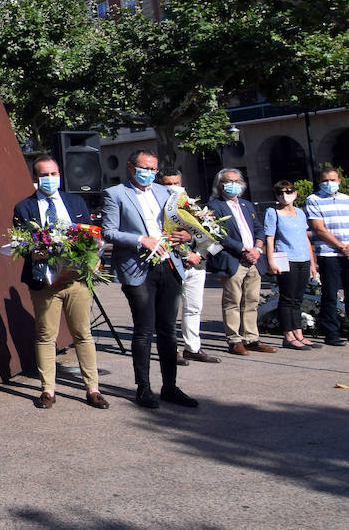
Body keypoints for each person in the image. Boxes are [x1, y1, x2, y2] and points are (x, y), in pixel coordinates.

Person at [102, 150, 197, 409]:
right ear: (131, 167)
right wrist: (140, 240)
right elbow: (109, 232)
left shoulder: (167, 193)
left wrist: (187, 236)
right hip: (138, 267)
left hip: (169, 264)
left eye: (153, 169)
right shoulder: (116, 194)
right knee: (144, 329)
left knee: (168, 330)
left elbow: (185, 225)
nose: (149, 173)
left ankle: (170, 387)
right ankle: (143, 388)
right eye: (144, 167)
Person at [12, 156, 109, 409]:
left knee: (83, 333)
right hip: (45, 282)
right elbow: (20, 245)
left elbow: (91, 237)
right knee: (46, 335)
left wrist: (95, 258)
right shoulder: (24, 208)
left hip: (76, 280)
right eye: (45, 175)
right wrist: (33, 251)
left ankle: (93, 388)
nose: (50, 179)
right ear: (35, 178)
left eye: (54, 174)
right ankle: (48, 389)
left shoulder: (76, 201)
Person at [156, 170, 219, 366]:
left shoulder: (190, 206)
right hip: (172, 263)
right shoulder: (157, 208)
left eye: (176, 183)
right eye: (168, 184)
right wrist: (184, 251)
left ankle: (193, 348)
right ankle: (171, 350)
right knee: (170, 310)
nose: (173, 187)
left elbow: (209, 232)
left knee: (194, 308)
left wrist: (195, 249)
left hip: (196, 264)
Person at [208, 168, 273, 356]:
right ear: (219, 185)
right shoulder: (215, 206)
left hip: (254, 260)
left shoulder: (246, 205)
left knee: (252, 300)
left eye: (236, 182)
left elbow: (259, 228)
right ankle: (234, 339)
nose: (233, 185)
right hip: (233, 260)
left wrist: (258, 249)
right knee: (233, 301)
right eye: (228, 182)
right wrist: (243, 249)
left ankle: (251, 338)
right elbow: (218, 234)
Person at [264, 180, 318, 350]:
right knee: (287, 298)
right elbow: (270, 237)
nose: (284, 195)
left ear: (295, 194)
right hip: (285, 258)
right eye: (280, 193)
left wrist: (312, 262)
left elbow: (305, 237)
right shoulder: (273, 212)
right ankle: (288, 335)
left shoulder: (300, 213)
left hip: (302, 258)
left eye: (288, 191)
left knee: (298, 299)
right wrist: (270, 259)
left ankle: (299, 333)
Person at [306, 165, 349, 346]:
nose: (329, 183)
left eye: (332, 180)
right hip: (328, 253)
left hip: (347, 252)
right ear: (319, 182)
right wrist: (341, 246)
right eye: (325, 180)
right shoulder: (313, 200)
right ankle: (331, 332)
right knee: (330, 293)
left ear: (339, 181)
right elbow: (318, 229)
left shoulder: (346, 199)